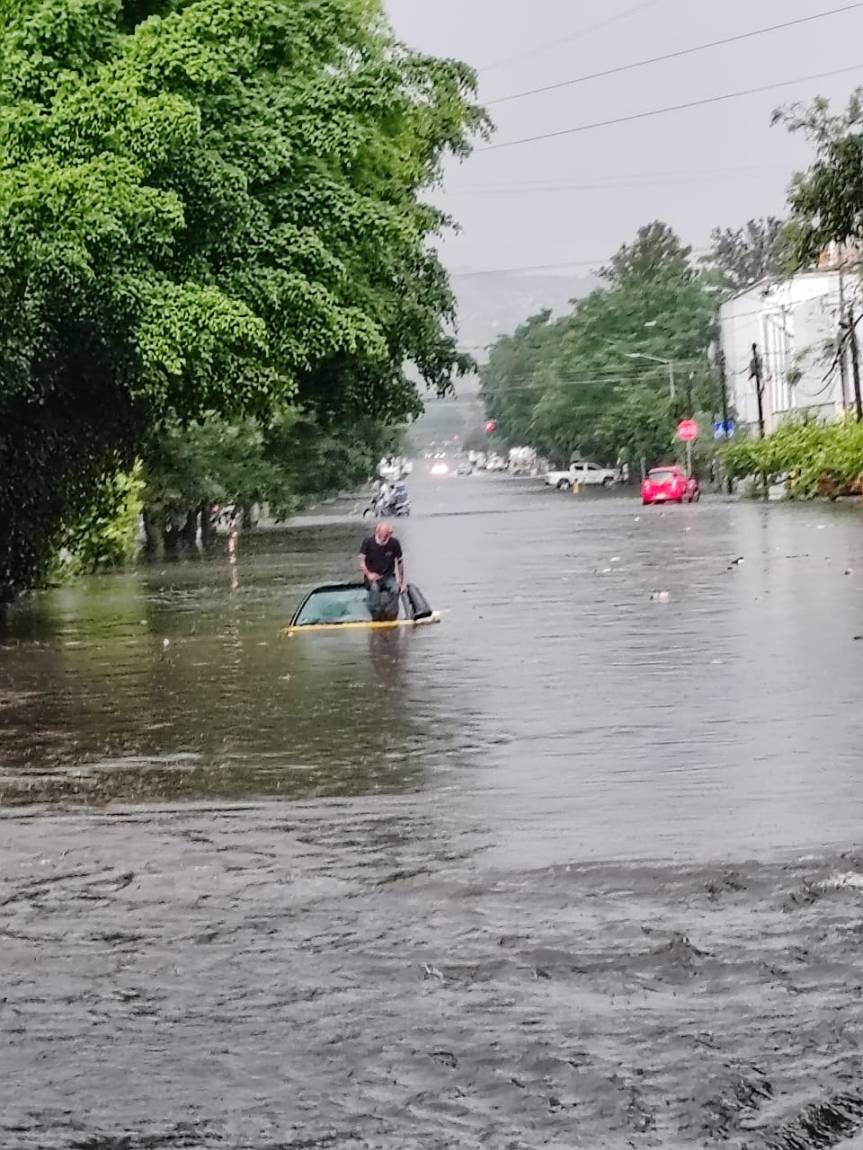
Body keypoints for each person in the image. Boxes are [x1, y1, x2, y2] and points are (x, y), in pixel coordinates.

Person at [358, 522, 405, 621]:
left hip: (387, 576)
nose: (385, 538)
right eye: (383, 535)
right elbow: (361, 562)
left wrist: (401, 582)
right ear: (377, 532)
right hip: (372, 576)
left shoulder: (394, 543)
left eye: (387, 535)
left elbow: (400, 562)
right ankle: (375, 614)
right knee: (374, 589)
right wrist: (368, 574)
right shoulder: (368, 542)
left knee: (395, 589)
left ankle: (391, 614)